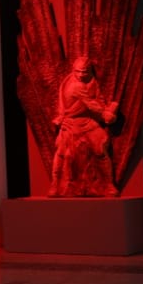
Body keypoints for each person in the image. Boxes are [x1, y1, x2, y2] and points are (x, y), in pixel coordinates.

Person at [49, 56, 118, 197]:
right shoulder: (74, 85)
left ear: (90, 71)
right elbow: (91, 104)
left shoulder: (92, 82)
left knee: (100, 150)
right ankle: (55, 184)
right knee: (61, 152)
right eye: (78, 71)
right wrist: (105, 114)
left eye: (85, 71)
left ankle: (109, 184)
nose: (81, 75)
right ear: (73, 70)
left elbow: (98, 100)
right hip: (71, 122)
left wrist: (107, 112)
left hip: (88, 121)